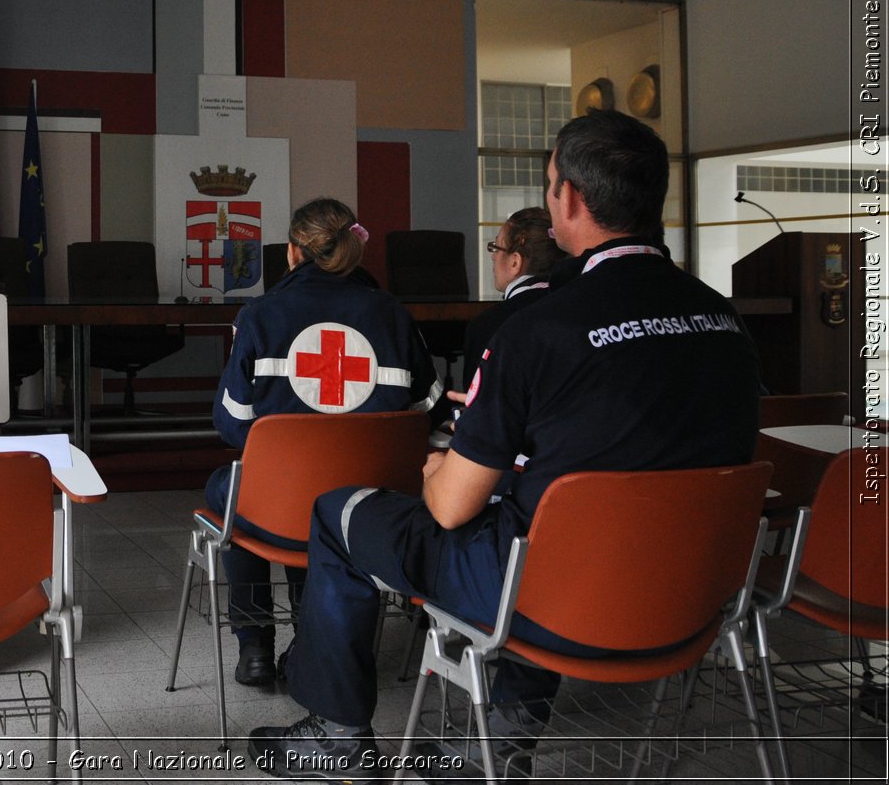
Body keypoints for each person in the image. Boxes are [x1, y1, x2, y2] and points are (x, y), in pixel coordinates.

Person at [248, 111, 762, 779]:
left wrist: (437, 464)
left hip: (548, 594)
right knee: (539, 518)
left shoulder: (536, 331)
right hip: (687, 601)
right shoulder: (728, 322)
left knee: (341, 513)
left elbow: (452, 509)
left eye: (551, 184)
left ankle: (340, 733)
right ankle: (496, 742)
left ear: (569, 199)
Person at [210, 198, 442, 688]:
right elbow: (429, 414)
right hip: (370, 505)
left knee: (239, 487)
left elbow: (232, 425)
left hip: (281, 506)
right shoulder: (393, 315)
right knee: (305, 495)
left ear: (293, 253)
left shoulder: (259, 315)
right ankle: (310, 636)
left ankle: (255, 643)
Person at [460, 206, 560, 388]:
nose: (493, 257)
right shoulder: (580, 310)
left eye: (496, 247)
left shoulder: (487, 326)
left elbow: (476, 406)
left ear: (515, 262)